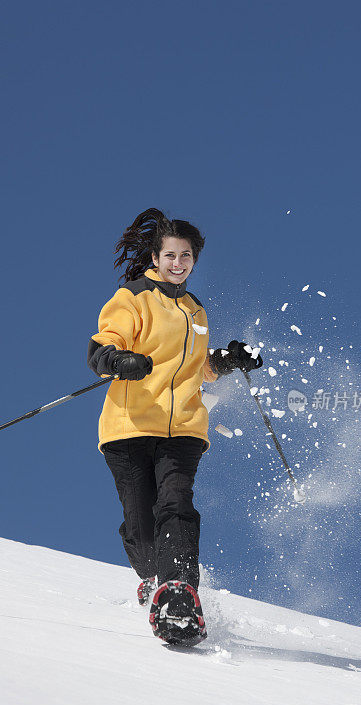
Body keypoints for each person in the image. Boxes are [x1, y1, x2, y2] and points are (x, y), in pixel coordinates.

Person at [88, 208, 262, 645]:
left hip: (183, 426)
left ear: (194, 260)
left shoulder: (195, 310)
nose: (178, 262)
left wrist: (228, 359)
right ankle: (154, 577)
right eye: (170, 254)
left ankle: (180, 591)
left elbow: (196, 368)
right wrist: (119, 360)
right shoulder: (133, 298)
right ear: (155, 255)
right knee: (140, 521)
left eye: (186, 255)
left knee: (176, 504)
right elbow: (103, 347)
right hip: (129, 426)